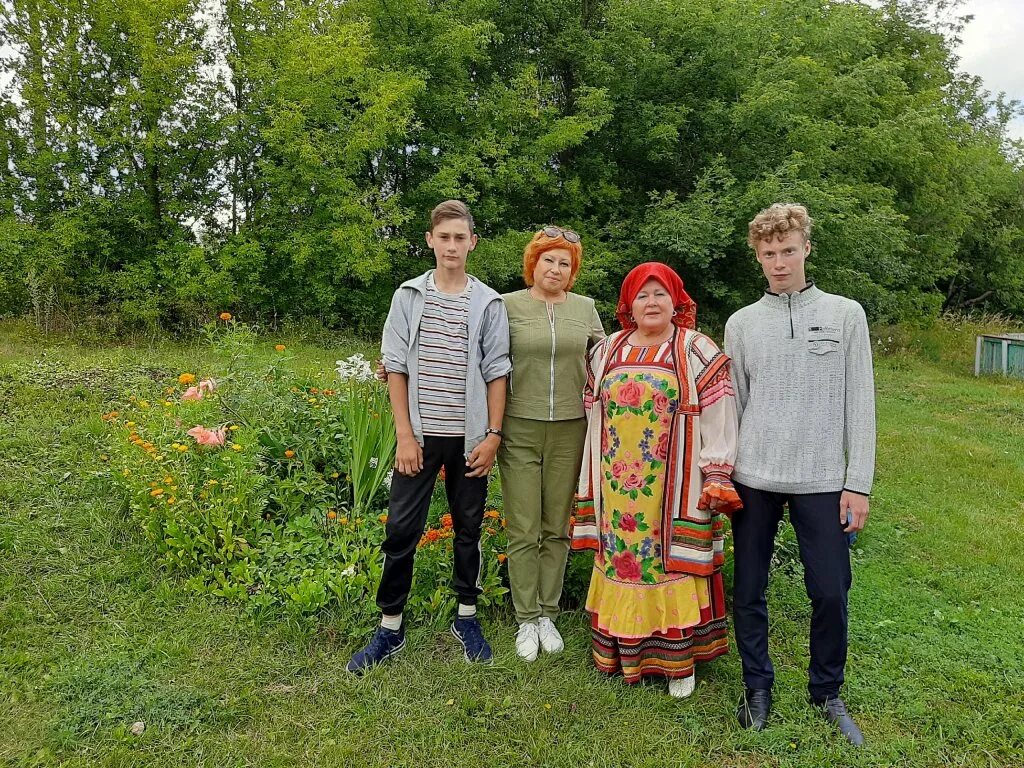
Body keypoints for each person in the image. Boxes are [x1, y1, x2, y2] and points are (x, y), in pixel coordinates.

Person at [725, 203, 875, 745]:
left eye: (788, 250)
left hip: (822, 479)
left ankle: (827, 691)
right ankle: (757, 687)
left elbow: (861, 402)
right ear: (757, 257)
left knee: (831, 590)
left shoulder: (844, 314)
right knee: (749, 589)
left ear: (806, 248)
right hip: (754, 477)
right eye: (769, 254)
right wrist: (722, 475)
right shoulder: (741, 324)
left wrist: (858, 482)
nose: (779, 262)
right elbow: (734, 404)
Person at [347, 200, 511, 674]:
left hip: (469, 438)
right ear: (430, 241)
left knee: (468, 527)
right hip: (418, 436)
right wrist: (404, 435)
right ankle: (390, 625)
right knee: (401, 529)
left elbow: (498, 371)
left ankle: (467, 616)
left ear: (472, 243)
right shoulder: (409, 296)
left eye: (461, 238)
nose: (452, 246)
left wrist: (493, 435)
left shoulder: (488, 303)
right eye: (445, 237)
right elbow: (394, 364)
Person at [571, 262, 742, 698]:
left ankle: (678, 662)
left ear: (676, 302)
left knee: (668, 563)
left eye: (660, 294)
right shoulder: (606, 350)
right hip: (617, 487)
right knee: (624, 562)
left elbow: (721, 414)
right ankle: (622, 653)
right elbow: (592, 409)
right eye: (642, 295)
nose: (651, 303)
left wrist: (717, 470)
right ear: (628, 305)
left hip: (674, 486)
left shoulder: (695, 350)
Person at [499, 227, 605, 662]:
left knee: (556, 525)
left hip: (570, 428)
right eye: (549, 260)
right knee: (523, 524)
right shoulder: (506, 305)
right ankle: (526, 616)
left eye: (565, 263)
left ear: (572, 270)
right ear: (534, 263)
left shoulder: (585, 309)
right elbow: (480, 358)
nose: (556, 269)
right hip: (518, 426)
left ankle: (548, 613)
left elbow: (608, 361)